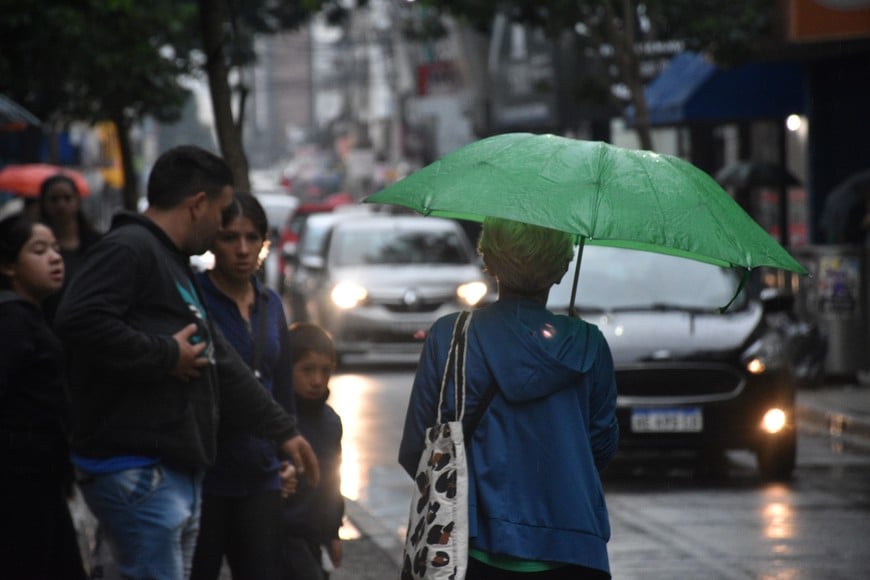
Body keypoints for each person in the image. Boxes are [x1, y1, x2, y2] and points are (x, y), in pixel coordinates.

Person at [54, 145, 319, 579]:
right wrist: (165, 353)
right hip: (138, 470)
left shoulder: (168, 258)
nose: (222, 227)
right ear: (197, 205)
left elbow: (219, 357)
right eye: (222, 214)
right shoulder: (130, 247)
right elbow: (79, 320)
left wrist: (283, 430)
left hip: (170, 473)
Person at [398, 217, 620, 579]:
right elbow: (601, 447)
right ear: (561, 269)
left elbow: (417, 449)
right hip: (574, 549)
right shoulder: (588, 345)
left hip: (469, 547)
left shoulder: (450, 337)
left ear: (488, 259)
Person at [190, 191, 297, 579]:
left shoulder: (271, 304)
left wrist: (288, 456)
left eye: (252, 238)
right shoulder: (195, 298)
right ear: (212, 241)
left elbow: (282, 387)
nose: (242, 249)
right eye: (230, 237)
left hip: (261, 472)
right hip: (206, 473)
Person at [0, 214, 88, 579]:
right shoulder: (12, 321)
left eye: (55, 248)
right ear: (8, 266)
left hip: (43, 481)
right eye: (39, 250)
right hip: (21, 486)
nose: (55, 257)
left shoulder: (31, 316)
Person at [280, 321, 345, 580]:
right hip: (281, 534)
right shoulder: (279, 421)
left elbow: (332, 482)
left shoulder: (331, 421)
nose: (317, 380)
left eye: (325, 370)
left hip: (315, 535)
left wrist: (333, 532)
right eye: (307, 370)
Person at [37, 173, 102, 324]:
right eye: (54, 199)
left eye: (67, 198)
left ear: (77, 201)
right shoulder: (35, 246)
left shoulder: (98, 243)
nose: (61, 205)